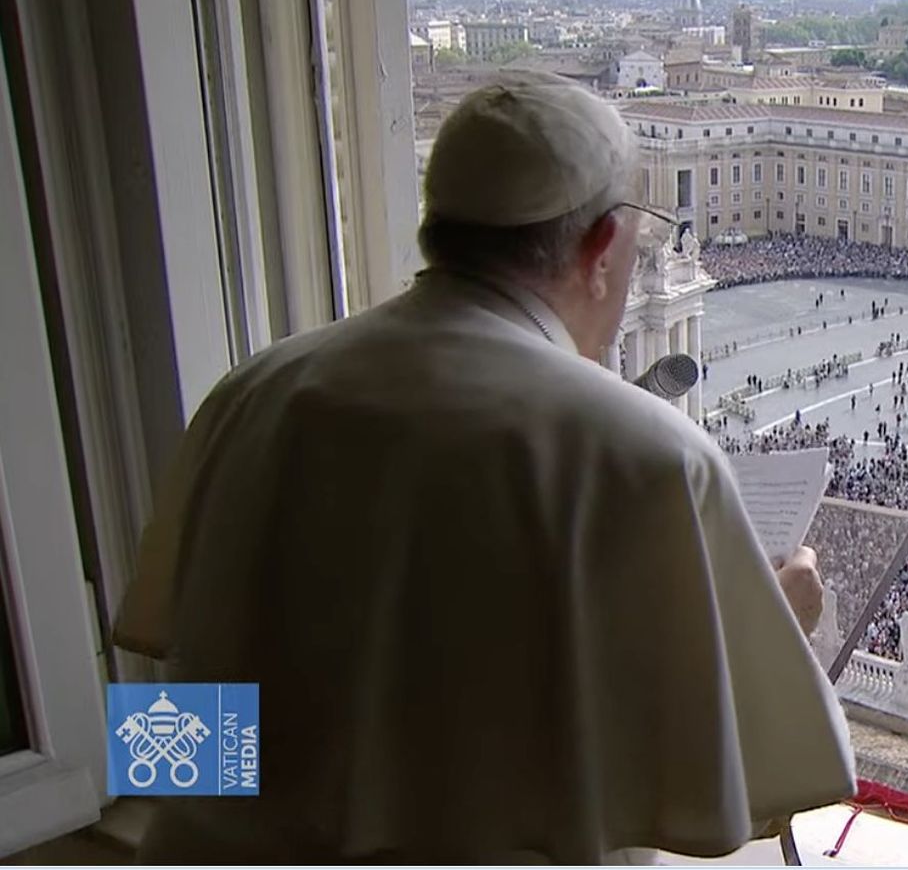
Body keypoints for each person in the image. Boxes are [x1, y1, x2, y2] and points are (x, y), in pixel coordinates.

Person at [113, 75, 854, 864]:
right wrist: (770, 626)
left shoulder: (252, 389)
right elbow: (708, 799)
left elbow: (189, 690)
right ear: (602, 249)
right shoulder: (648, 454)